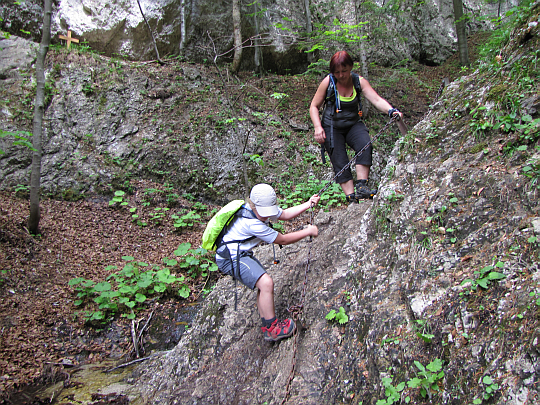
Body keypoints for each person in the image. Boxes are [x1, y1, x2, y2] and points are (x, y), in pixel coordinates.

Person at [215, 183, 320, 342]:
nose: (266, 216)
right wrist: (308, 231)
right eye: (263, 213)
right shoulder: (252, 223)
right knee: (266, 283)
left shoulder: (257, 209)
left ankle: (267, 326)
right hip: (230, 258)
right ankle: (273, 330)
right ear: (253, 205)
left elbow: (284, 214)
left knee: (263, 286)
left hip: (240, 254)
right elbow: (283, 239)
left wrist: (308, 203)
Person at [309, 51, 403, 203]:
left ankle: (362, 187)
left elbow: (377, 100)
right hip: (332, 127)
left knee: (365, 144)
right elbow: (314, 106)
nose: (341, 75)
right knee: (339, 159)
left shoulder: (359, 81)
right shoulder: (328, 82)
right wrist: (317, 127)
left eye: (344, 71)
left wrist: (391, 110)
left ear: (351, 68)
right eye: (337, 72)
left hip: (353, 124)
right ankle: (351, 197)